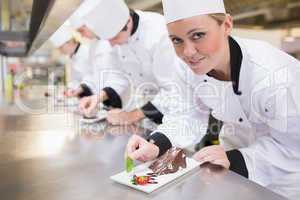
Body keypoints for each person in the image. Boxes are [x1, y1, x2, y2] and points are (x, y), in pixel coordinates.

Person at [126, 0, 300, 199]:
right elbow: (187, 114)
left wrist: (236, 159)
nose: (187, 52)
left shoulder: (273, 75)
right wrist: (157, 144)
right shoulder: (186, 68)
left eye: (198, 35)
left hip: (287, 179)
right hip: (230, 163)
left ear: (226, 25)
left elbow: (293, 146)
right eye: (176, 40)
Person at [79, 0, 180, 126]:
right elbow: (118, 75)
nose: (111, 44)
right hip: (146, 110)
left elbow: (174, 89)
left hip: (176, 113)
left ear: (127, 22)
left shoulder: (158, 33)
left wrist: (132, 116)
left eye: (114, 38)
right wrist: (97, 98)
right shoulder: (116, 37)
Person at [50, 20, 93, 98]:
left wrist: (76, 90)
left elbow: (90, 78)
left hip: (92, 94)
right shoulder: (72, 56)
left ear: (69, 42)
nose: (60, 51)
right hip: (83, 94)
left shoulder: (85, 52)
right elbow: (76, 79)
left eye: (61, 48)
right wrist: (69, 89)